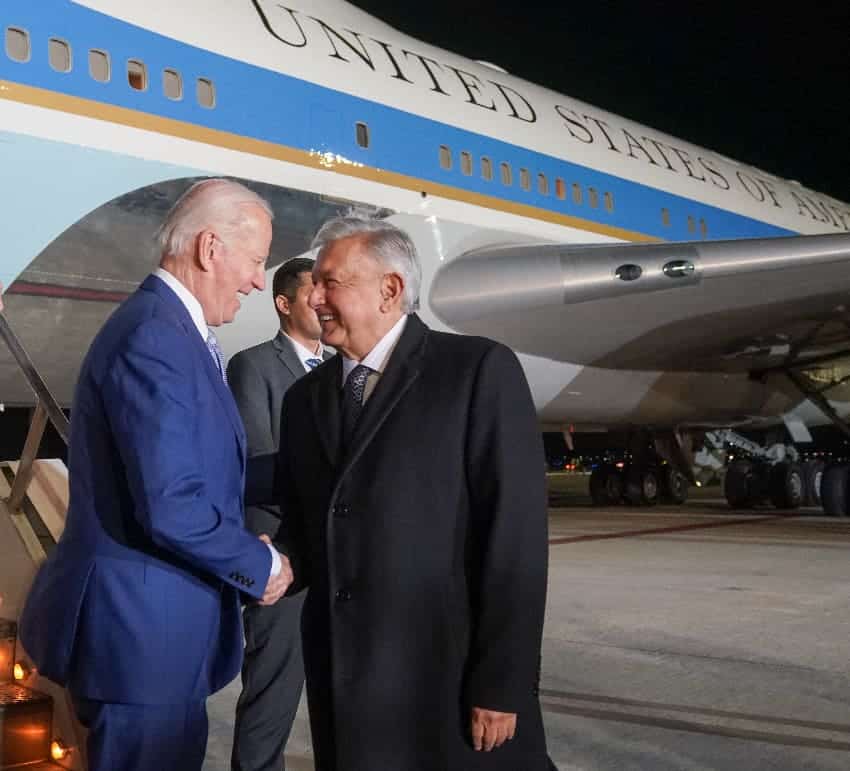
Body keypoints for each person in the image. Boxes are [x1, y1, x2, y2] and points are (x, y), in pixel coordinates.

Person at [249, 214, 550, 770]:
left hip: (446, 680)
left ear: (390, 289)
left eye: (330, 282)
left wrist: (501, 683)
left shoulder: (475, 371)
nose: (312, 297)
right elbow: (309, 522)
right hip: (344, 683)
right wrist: (276, 565)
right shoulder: (305, 399)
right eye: (314, 282)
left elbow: (515, 541)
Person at [19, 178, 293, 771]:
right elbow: (171, 505)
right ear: (210, 248)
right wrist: (259, 564)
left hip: (155, 636)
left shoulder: (171, 330)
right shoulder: (155, 338)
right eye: (255, 262)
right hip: (142, 641)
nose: (255, 280)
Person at [228, 257, 330, 771]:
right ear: (284, 304)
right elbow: (256, 467)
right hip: (282, 556)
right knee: (271, 697)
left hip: (337, 558)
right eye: (315, 289)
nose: (325, 298)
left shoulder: (341, 369)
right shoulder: (254, 365)